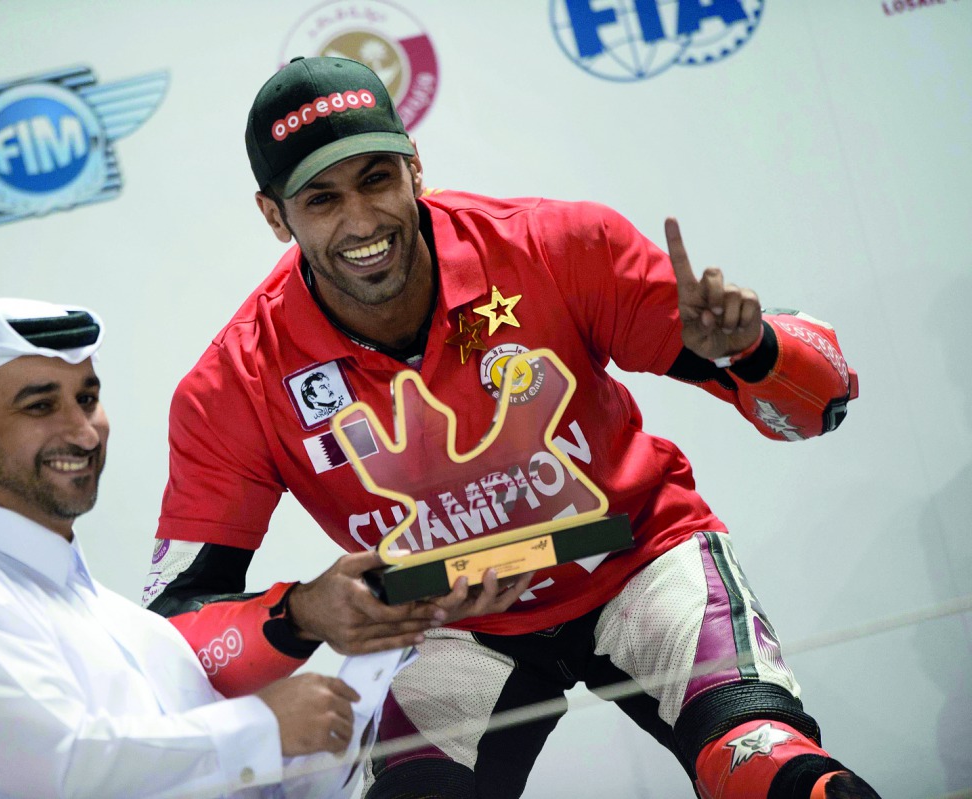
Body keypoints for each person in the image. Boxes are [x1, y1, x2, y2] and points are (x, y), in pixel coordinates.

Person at [142, 56, 877, 799]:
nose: (361, 221)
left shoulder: (556, 245)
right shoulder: (234, 381)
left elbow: (823, 405)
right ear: (275, 216)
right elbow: (170, 634)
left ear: (414, 168)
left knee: (768, 770)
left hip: (637, 561)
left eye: (375, 179)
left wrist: (754, 350)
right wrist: (301, 613)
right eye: (322, 199)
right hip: (454, 624)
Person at [0, 296, 398, 799]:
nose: (83, 433)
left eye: (87, 399)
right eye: (40, 407)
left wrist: (373, 664)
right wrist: (262, 725)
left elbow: (236, 785)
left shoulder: (141, 631)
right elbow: (58, 773)